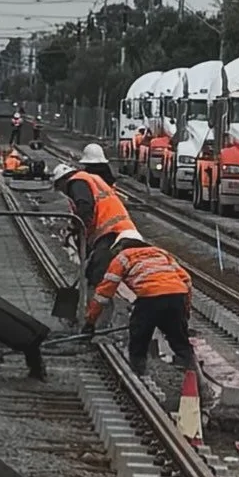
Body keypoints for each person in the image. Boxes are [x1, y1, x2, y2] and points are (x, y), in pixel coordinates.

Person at [81, 230, 206, 391]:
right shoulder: (161, 253)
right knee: (181, 344)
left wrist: (90, 322)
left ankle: (137, 379)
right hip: (177, 296)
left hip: (150, 298)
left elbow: (103, 294)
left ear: (120, 245)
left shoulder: (123, 257)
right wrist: (185, 311)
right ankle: (200, 387)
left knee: (138, 341)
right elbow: (187, 280)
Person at [52, 162, 137, 287]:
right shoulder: (90, 179)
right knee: (98, 270)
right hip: (119, 230)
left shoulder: (76, 183)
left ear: (63, 180)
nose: (64, 193)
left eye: (61, 188)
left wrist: (77, 227)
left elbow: (85, 207)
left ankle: (97, 304)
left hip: (112, 232)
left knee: (98, 276)